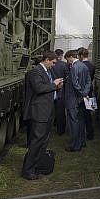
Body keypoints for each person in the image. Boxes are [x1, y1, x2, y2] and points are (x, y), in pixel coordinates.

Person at [21, 51, 63, 180]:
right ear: (47, 60)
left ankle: (37, 166)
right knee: (37, 141)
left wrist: (57, 87)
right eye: (53, 62)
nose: (54, 65)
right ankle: (28, 170)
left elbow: (46, 88)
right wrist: (54, 84)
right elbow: (39, 88)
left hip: (46, 112)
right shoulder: (35, 72)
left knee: (43, 141)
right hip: (39, 113)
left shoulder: (46, 71)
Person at [64, 50, 91, 152]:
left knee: (74, 122)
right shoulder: (84, 66)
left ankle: (75, 145)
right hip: (82, 99)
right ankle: (82, 141)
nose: (68, 62)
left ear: (71, 57)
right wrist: (85, 92)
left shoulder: (74, 67)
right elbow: (89, 81)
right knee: (81, 121)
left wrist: (81, 92)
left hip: (73, 99)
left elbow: (75, 84)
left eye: (67, 60)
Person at [78, 47, 95, 140]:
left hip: (81, 91)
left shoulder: (79, 66)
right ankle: (90, 133)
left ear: (81, 56)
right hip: (90, 91)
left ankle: (81, 133)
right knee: (89, 112)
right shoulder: (92, 66)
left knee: (81, 113)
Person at [51, 49, 68, 135]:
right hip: (61, 91)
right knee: (60, 111)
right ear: (61, 55)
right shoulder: (64, 65)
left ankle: (52, 125)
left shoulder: (50, 64)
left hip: (50, 90)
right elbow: (67, 78)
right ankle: (60, 130)